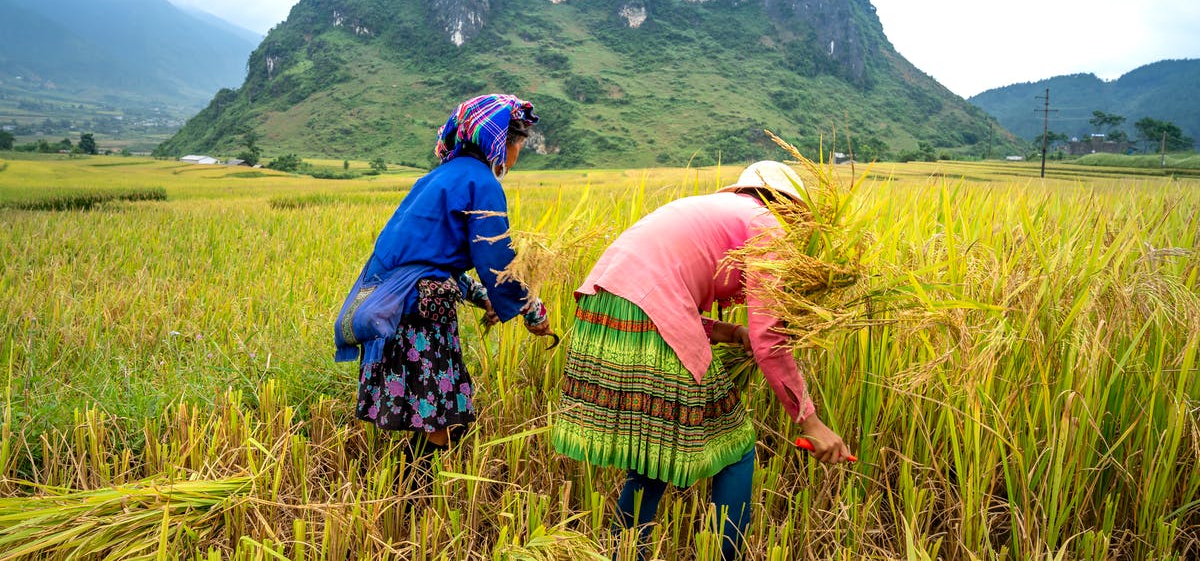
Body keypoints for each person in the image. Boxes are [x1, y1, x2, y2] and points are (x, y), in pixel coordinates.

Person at [551, 161, 852, 560]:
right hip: (647, 317)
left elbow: (660, 284)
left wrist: (727, 332)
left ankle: (622, 553)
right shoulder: (768, 226)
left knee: (653, 451)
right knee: (736, 447)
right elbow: (770, 341)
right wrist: (810, 422)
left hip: (603, 310)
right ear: (790, 207)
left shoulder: (714, 210)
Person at [334, 93, 554, 481]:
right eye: (518, 145)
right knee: (440, 417)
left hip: (394, 304)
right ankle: (412, 499)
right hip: (422, 313)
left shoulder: (435, 178)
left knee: (430, 413)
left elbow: (435, 260)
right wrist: (532, 310)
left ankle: (405, 498)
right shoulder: (482, 183)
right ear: (502, 142)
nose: (517, 155)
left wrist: (483, 297)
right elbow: (496, 260)